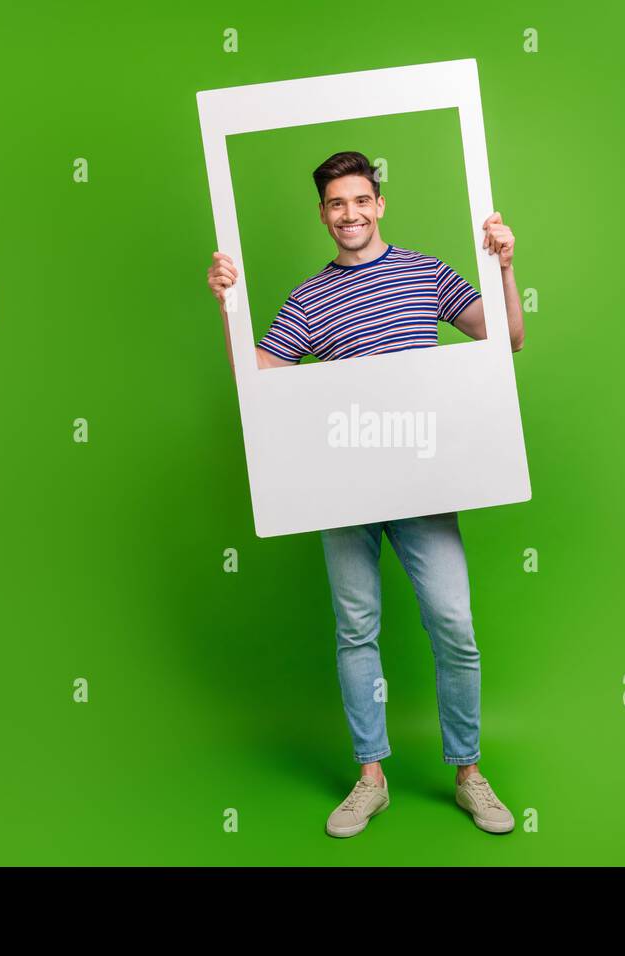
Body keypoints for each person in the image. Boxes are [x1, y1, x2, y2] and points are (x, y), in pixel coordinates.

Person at [205, 151, 525, 837]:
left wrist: (503, 266)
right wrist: (229, 305)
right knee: (357, 630)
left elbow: (508, 339)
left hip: (424, 479)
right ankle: (370, 779)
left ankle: (469, 773)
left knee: (454, 625)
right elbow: (253, 380)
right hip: (342, 487)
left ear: (378, 203)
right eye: (334, 204)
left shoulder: (425, 272)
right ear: (322, 213)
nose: (348, 214)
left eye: (359, 200)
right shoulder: (307, 300)